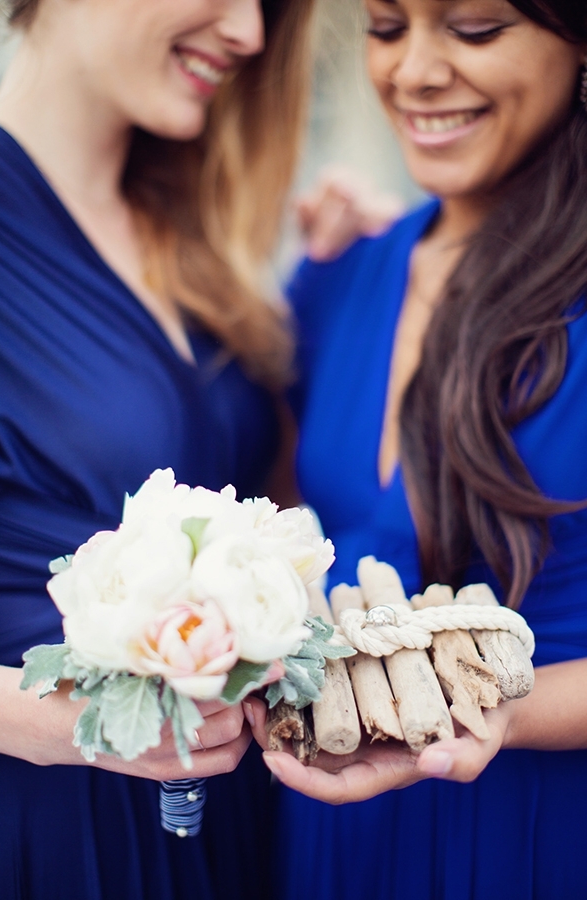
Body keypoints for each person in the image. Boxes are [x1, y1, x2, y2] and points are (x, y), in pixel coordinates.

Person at [252, 1, 587, 897]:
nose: (414, 71)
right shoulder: (340, 274)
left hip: (538, 827)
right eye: (387, 26)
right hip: (336, 817)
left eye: (473, 27)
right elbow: (285, 524)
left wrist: (504, 718)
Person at [0, 1, 321, 898]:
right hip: (44, 826)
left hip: (237, 817)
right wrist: (41, 718)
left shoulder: (198, 234)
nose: (250, 33)